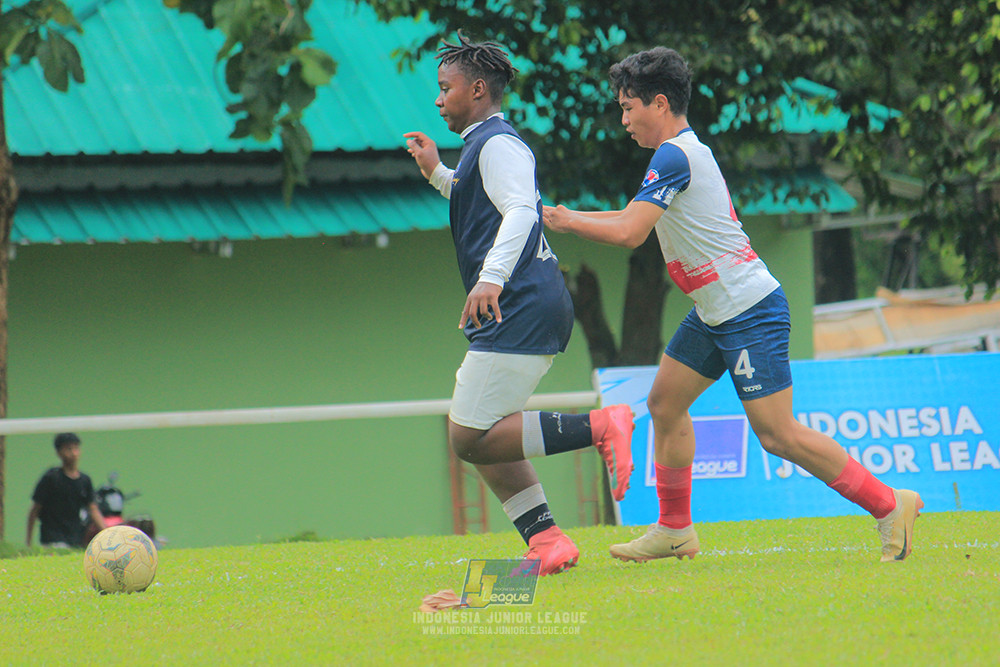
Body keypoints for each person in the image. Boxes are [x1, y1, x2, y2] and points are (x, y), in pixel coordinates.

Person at [542, 47, 922, 564]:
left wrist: (566, 223)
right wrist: (569, 215)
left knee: (778, 435)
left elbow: (631, 232)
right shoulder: (676, 155)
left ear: (659, 103)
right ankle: (675, 530)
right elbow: (634, 214)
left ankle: (890, 504)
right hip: (715, 310)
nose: (624, 119)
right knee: (664, 404)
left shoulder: (674, 155)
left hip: (749, 309)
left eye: (628, 107)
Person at [403, 33, 635, 575]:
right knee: (484, 431)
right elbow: (481, 201)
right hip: (524, 299)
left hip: (521, 299)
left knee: (469, 434)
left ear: (477, 89)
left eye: (446, 88)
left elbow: (521, 213)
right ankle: (547, 540)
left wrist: (489, 280)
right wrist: (437, 173)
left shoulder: (501, 144)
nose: (438, 100)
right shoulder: (482, 146)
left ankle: (603, 425)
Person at [26, 432, 106, 548]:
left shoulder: (85, 480)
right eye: (68, 449)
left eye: (76, 448)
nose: (73, 453)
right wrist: (28, 542)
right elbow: (35, 509)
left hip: (76, 539)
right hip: (53, 539)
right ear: (59, 453)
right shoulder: (51, 478)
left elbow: (93, 509)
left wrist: (107, 533)